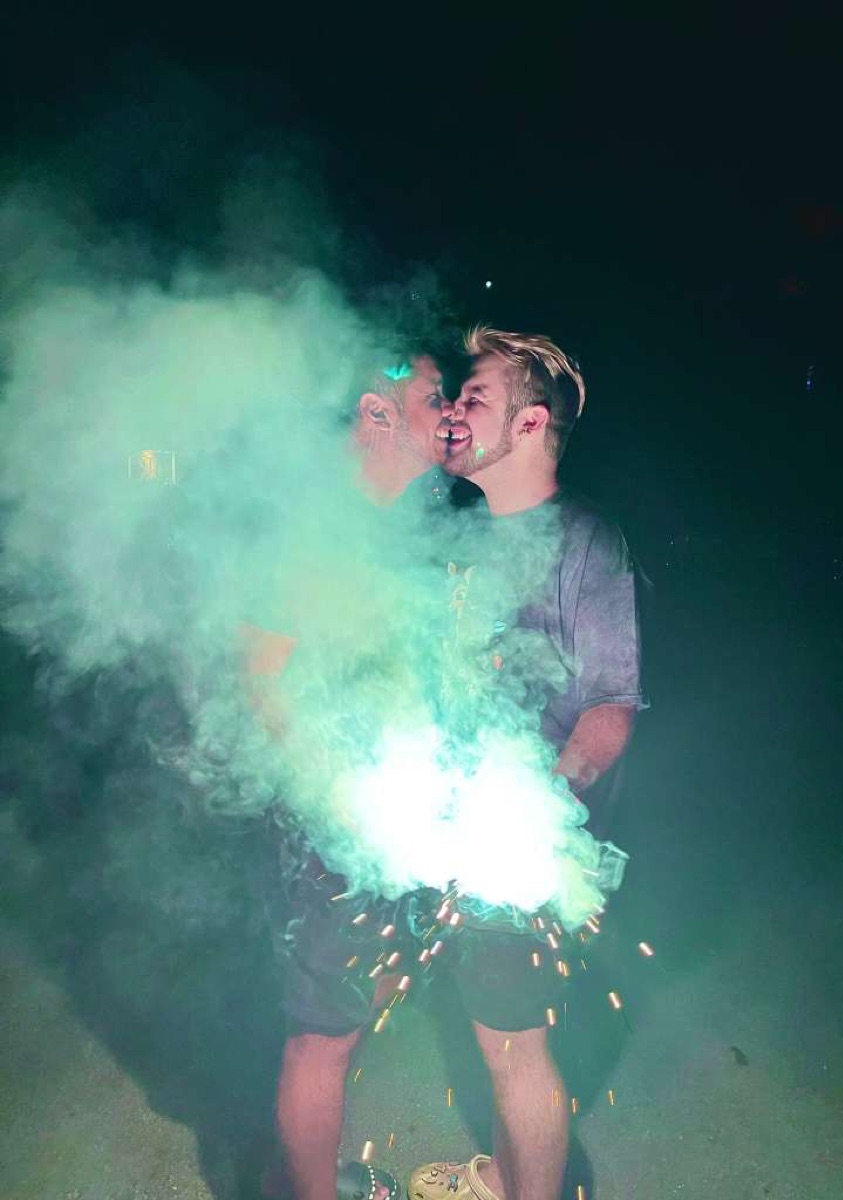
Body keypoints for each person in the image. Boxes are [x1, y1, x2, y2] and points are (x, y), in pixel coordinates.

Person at [409, 327, 646, 1200]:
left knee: (516, 1053)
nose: (456, 412)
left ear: (532, 421)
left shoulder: (585, 540)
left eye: (477, 398)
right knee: (489, 1034)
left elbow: (612, 706)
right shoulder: (464, 537)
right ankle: (504, 1174)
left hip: (524, 851)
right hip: (454, 834)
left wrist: (535, 811)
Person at [243, 352, 447, 1200]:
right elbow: (260, 681)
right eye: (434, 398)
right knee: (321, 1036)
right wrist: (336, 803)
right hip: (332, 825)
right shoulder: (317, 522)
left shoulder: (383, 522)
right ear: (377, 413)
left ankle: (307, 1170)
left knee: (355, 1010)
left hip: (378, 818)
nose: (451, 412)